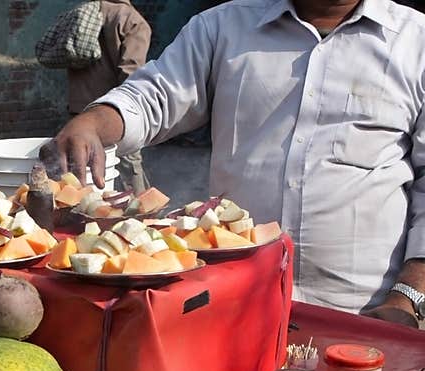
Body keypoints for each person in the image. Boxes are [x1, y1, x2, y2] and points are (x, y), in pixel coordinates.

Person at [41, 0, 425, 327]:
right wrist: (95, 121)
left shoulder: (415, 42)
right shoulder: (223, 27)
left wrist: (408, 296)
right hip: (233, 305)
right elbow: (153, 96)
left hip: (364, 314)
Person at [66, 1, 152, 194]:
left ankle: (83, 216)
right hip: (112, 116)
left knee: (81, 171)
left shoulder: (83, 12)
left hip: (79, 112)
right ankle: (140, 217)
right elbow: (132, 76)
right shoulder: (132, 21)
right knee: (130, 170)